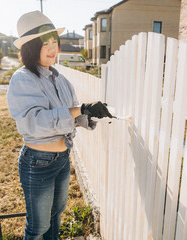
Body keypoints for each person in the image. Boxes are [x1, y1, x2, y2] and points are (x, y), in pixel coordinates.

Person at [7, 11, 112, 240]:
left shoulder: (60, 79)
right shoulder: (22, 79)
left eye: (55, 41)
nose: (53, 48)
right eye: (46, 43)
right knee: (38, 226)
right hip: (38, 162)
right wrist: (81, 108)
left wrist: (88, 115)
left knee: (56, 217)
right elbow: (36, 122)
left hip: (63, 159)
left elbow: (71, 114)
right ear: (31, 47)